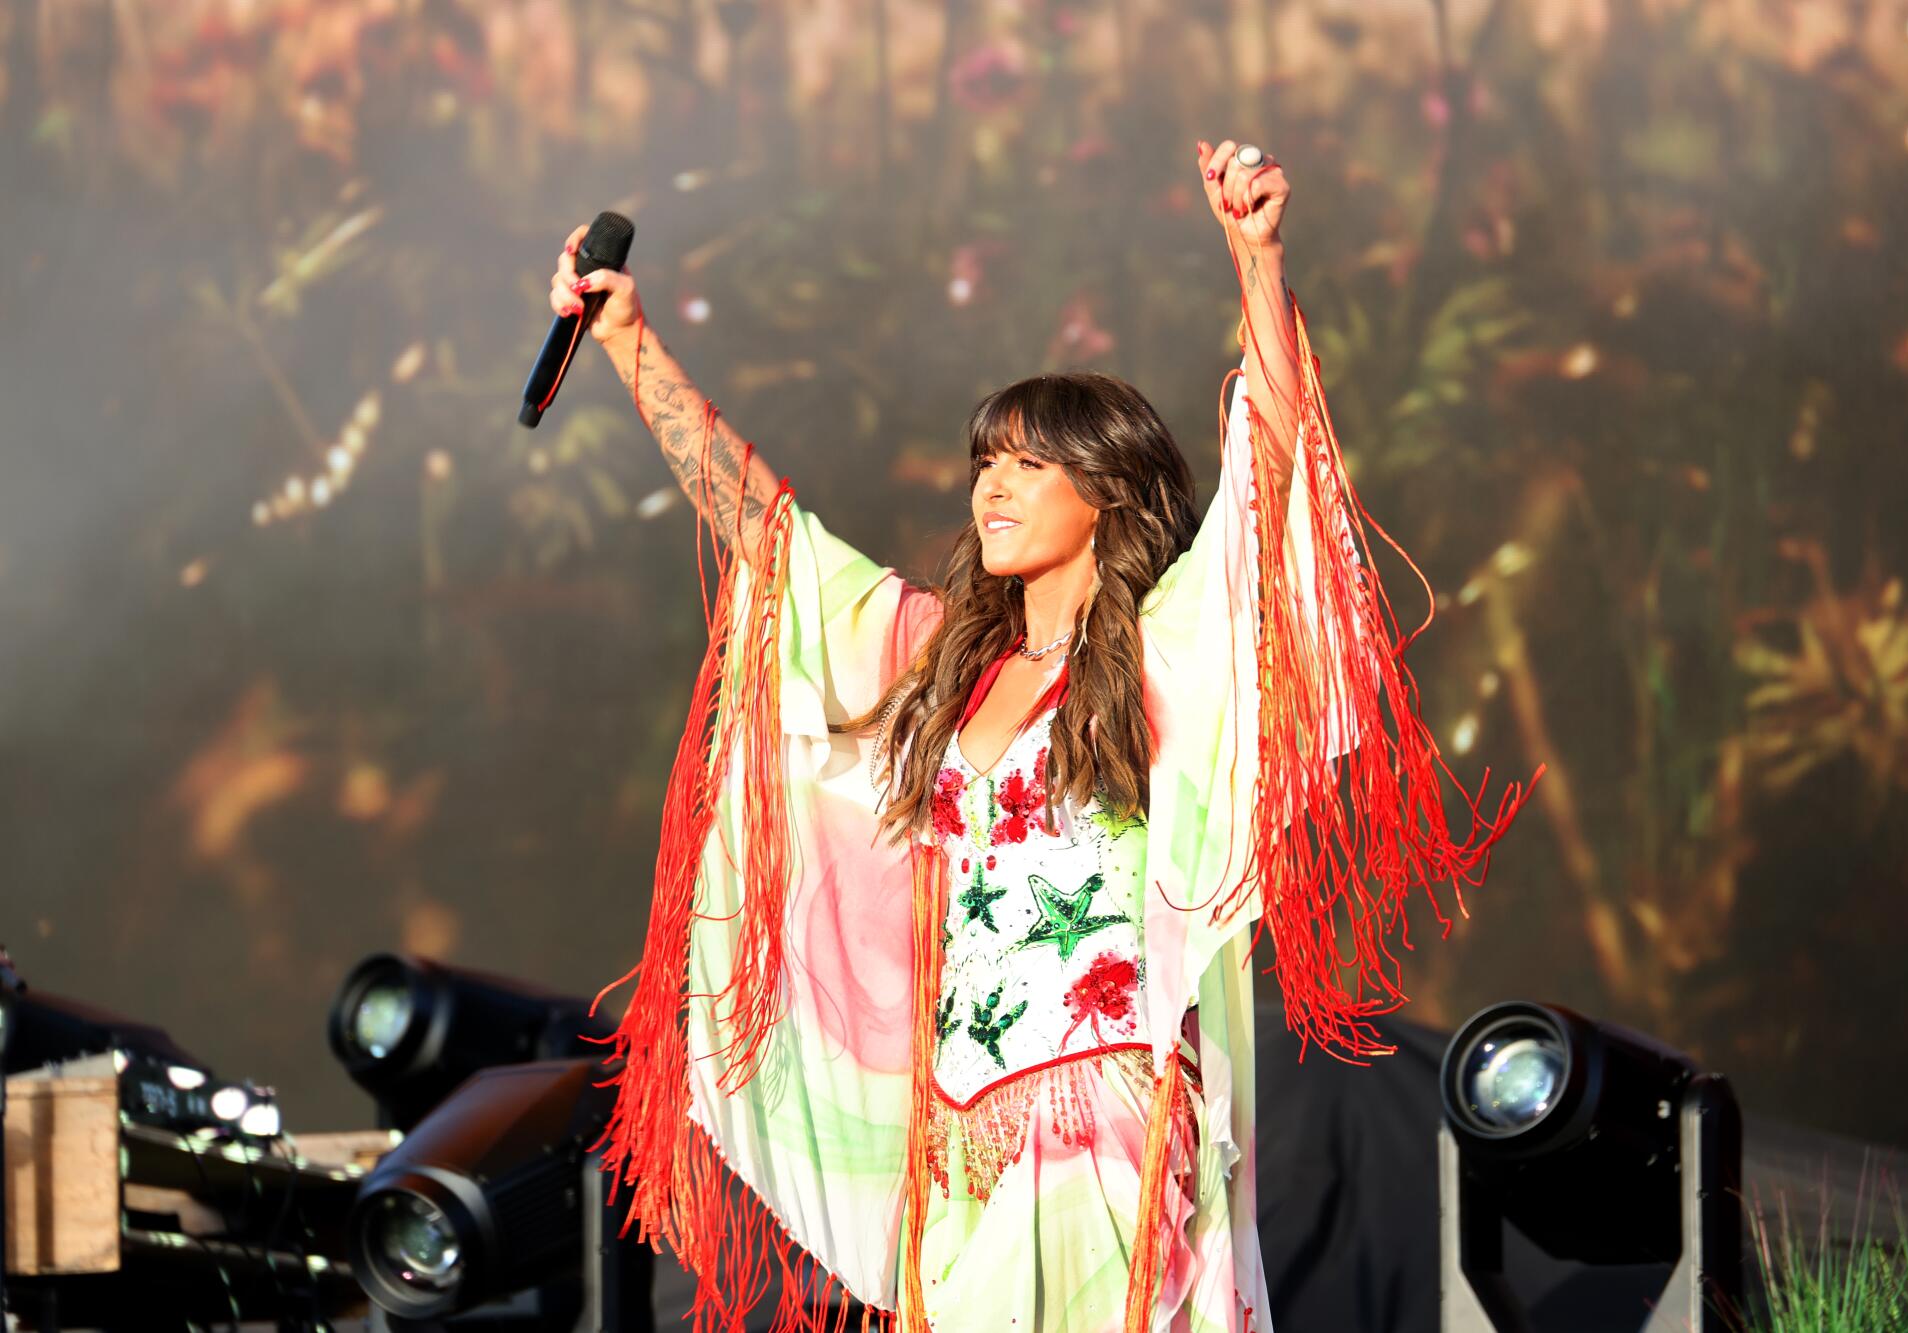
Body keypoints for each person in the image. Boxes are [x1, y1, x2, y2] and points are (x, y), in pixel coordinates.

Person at [554, 140, 1535, 1333]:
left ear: (1105, 492)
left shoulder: (1159, 654)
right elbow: (770, 537)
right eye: (985, 462)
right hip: (957, 1130)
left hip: (1103, 1114)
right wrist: (628, 345)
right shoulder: (942, 660)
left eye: (1029, 463)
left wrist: (1256, 261)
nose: (992, 487)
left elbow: (1269, 470)